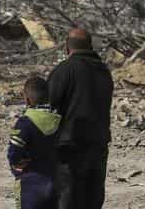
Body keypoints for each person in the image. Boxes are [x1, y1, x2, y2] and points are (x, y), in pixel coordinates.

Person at [48, 27, 114, 209]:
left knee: (68, 199)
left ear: (67, 48)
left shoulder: (65, 70)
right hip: (98, 144)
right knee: (92, 199)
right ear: (90, 46)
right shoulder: (104, 71)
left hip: (70, 147)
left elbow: (47, 107)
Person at [8, 75, 61, 209]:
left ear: (27, 99)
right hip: (55, 184)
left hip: (29, 184)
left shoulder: (25, 123)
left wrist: (16, 164)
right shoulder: (59, 121)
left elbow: (14, 153)